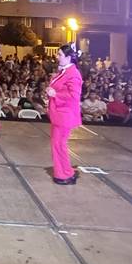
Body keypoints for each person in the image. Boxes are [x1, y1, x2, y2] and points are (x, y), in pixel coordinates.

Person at [47, 44, 83, 185]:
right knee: (58, 144)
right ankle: (65, 172)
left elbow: (74, 95)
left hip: (64, 114)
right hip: (59, 113)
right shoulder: (65, 71)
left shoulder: (73, 74)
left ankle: (64, 174)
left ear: (68, 57)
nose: (57, 57)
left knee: (58, 144)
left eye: (59, 54)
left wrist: (56, 94)